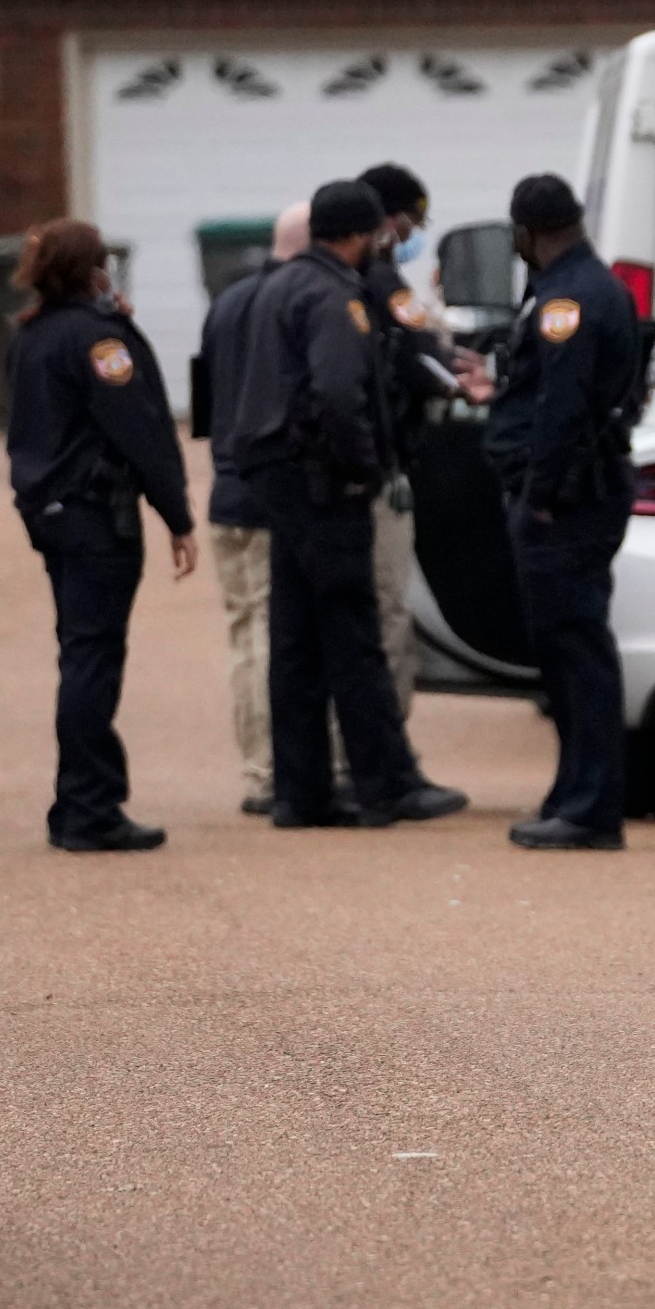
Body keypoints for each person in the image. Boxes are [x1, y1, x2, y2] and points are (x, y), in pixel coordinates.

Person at [230, 179, 468, 829]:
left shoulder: (276, 285)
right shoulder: (337, 295)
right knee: (355, 635)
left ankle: (300, 793)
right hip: (323, 483)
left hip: (277, 481)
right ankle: (387, 785)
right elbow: (338, 393)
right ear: (360, 234)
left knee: (297, 639)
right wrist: (364, 464)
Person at [3, 219, 199, 851]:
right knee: (92, 659)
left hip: (51, 512)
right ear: (93, 268)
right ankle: (91, 807)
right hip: (95, 516)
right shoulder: (96, 339)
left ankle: (75, 803)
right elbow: (140, 428)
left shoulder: (32, 335)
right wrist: (177, 515)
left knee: (79, 651)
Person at [470, 176, 644, 849]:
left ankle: (593, 806)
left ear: (525, 232)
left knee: (577, 651)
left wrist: (538, 497)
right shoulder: (582, 287)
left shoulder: (568, 297)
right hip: (576, 495)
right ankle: (574, 790)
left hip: (568, 502)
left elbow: (564, 407)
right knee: (565, 650)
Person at [353, 163, 482, 711]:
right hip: (383, 467)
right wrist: (463, 383)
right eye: (410, 221)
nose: (412, 234)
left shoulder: (326, 279)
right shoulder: (380, 279)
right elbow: (415, 358)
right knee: (387, 613)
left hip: (345, 473)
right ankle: (383, 762)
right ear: (388, 219)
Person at [199, 201, 309, 814]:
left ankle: (255, 767)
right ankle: (277, 767)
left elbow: (208, 398)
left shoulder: (227, 304)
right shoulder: (298, 301)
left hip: (227, 489)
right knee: (274, 632)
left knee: (244, 635)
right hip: (271, 492)